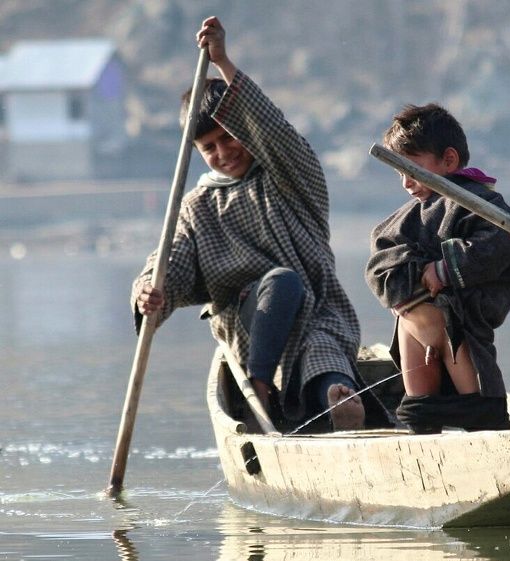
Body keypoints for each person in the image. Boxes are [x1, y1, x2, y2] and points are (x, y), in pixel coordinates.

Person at [133, 16, 375, 433]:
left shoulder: (290, 176)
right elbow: (169, 259)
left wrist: (223, 62)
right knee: (279, 282)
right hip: (247, 331)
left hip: (316, 315)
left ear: (245, 131)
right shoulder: (196, 207)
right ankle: (259, 391)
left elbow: (274, 131)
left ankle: (339, 398)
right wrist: (149, 293)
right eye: (209, 147)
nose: (223, 152)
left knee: (325, 361)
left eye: (229, 138)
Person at [365, 103, 510, 434]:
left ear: (449, 160)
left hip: (462, 320)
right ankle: (422, 433)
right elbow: (381, 259)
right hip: (414, 322)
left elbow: (501, 243)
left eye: (413, 170)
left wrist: (443, 270)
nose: (407, 183)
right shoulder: (403, 218)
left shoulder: (479, 202)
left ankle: (488, 434)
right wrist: (416, 270)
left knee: (482, 414)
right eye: (400, 174)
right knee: (419, 413)